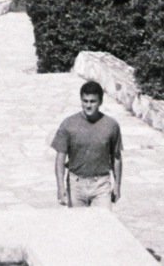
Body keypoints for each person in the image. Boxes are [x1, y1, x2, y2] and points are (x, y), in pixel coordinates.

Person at [51, 79, 122, 209]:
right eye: (85, 101)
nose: (88, 105)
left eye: (93, 101)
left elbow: (116, 157)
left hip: (101, 184)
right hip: (76, 184)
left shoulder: (111, 125)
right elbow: (60, 157)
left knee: (103, 224)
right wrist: (60, 187)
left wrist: (117, 185)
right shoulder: (68, 124)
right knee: (78, 227)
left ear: (100, 102)